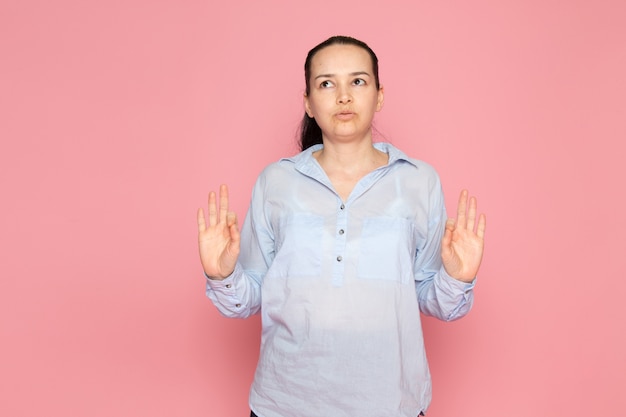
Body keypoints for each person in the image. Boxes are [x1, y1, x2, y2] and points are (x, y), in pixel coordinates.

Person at [197, 35, 486, 417]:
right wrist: (222, 275)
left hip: (389, 404)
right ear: (308, 103)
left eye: (358, 81)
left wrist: (457, 278)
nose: (343, 96)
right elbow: (249, 298)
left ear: (379, 96)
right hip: (285, 404)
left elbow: (435, 300)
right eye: (326, 83)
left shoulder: (419, 181)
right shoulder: (275, 182)